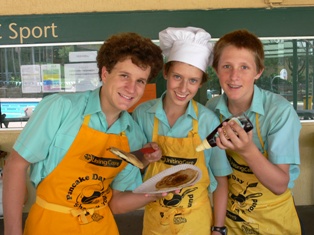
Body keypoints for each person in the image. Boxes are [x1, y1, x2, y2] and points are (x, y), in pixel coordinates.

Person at [3, 32, 164, 235]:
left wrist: (156, 192)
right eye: (124, 75)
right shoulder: (61, 108)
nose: (131, 88)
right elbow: (15, 166)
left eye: (140, 81)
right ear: (105, 74)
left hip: (101, 227)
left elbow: (115, 204)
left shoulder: (132, 134)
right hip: (49, 225)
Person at [132, 26, 232, 235]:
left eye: (193, 80)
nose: (183, 88)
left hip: (195, 222)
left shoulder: (208, 121)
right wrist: (145, 155)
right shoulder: (142, 114)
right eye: (177, 77)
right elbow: (132, 166)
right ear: (166, 73)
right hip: (155, 221)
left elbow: (221, 180)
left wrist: (219, 228)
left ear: (201, 83)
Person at [205, 29, 302, 234]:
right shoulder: (212, 109)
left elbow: (279, 184)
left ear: (258, 71)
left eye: (244, 67)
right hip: (231, 219)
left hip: (273, 220)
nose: (234, 76)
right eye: (226, 66)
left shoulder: (279, 112)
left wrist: (248, 150)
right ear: (216, 69)